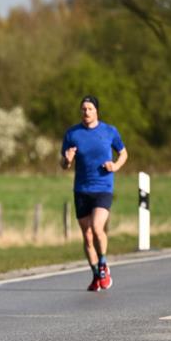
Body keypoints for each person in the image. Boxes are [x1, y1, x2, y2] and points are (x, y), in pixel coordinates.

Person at [60, 95, 128, 291]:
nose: (86, 112)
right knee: (87, 236)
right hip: (81, 189)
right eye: (83, 109)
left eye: (90, 109)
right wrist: (68, 159)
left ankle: (103, 264)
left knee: (98, 228)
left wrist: (115, 166)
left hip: (103, 187)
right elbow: (64, 164)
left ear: (96, 110)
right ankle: (95, 274)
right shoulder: (72, 134)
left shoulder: (109, 131)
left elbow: (123, 152)